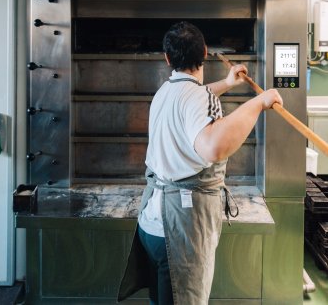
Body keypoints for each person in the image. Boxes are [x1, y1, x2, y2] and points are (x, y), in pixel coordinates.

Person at [118, 21, 283, 305]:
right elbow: (213, 148)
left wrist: (228, 84)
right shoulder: (198, 98)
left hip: (152, 227)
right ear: (205, 53)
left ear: (167, 58)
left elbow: (193, 99)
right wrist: (258, 103)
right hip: (178, 233)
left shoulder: (164, 93)